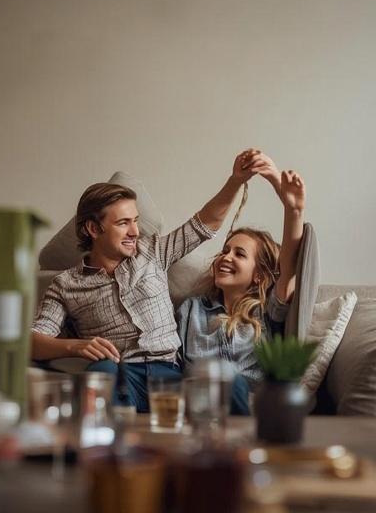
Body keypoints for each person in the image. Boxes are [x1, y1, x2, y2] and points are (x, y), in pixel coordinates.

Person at [30, 150, 275, 412]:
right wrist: (76, 347)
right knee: (99, 374)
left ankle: (245, 450)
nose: (135, 231)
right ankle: (106, 444)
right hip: (120, 375)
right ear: (93, 229)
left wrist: (235, 180)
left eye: (135, 221)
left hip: (171, 376)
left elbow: (206, 223)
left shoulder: (152, 251)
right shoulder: (65, 284)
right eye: (124, 223)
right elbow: (33, 342)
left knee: (230, 383)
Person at [177, 167, 306, 414]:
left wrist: (294, 210)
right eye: (225, 250)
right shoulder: (191, 310)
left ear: (258, 275)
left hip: (249, 411)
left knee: (230, 379)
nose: (226, 257)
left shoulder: (268, 311)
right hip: (200, 411)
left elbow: (290, 266)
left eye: (239, 254)